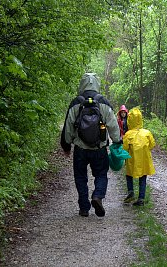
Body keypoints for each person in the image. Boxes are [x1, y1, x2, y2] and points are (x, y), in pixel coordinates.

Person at [61, 73, 121, 217]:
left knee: (80, 177)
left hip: (80, 149)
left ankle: (83, 207)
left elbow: (68, 126)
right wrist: (117, 141)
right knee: (101, 174)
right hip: (99, 148)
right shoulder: (104, 103)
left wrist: (66, 145)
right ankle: (98, 196)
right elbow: (113, 125)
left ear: (82, 84)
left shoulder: (76, 102)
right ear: (97, 84)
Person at [122, 108, 156, 206]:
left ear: (130, 120)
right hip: (144, 160)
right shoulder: (147, 133)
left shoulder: (128, 134)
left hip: (131, 160)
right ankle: (141, 198)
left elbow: (124, 149)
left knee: (129, 175)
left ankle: (131, 191)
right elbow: (152, 145)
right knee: (143, 177)